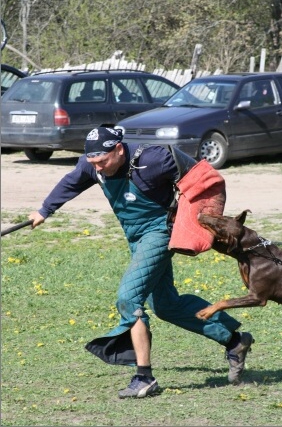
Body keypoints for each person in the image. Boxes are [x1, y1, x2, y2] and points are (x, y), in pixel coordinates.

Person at [29, 127, 254, 399]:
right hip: (135, 237)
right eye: (93, 162)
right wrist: (44, 210)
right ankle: (234, 341)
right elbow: (71, 182)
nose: (98, 168)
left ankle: (144, 377)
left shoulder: (154, 159)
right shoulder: (92, 165)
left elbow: (205, 179)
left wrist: (198, 219)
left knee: (129, 298)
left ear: (119, 150)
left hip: (160, 232)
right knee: (166, 305)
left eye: (103, 161)